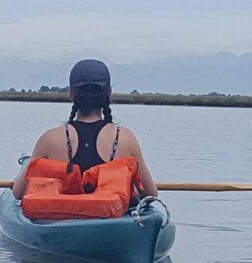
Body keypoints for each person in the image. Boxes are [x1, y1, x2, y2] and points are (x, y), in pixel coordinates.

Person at [12, 59, 158, 200]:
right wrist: (128, 195)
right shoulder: (126, 139)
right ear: (109, 93)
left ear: (71, 94)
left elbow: (18, 192)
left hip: (61, 221)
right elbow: (150, 194)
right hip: (110, 219)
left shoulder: (50, 139)